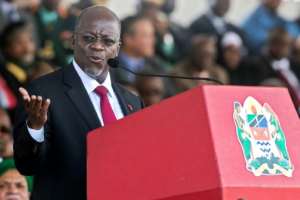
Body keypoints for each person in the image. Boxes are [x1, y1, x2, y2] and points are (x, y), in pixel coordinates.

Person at [13, 6, 144, 200]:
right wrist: (35, 128)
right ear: (73, 40)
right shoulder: (43, 92)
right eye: (89, 38)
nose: (98, 46)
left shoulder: (133, 102)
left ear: (117, 49)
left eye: (107, 41)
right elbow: (27, 166)